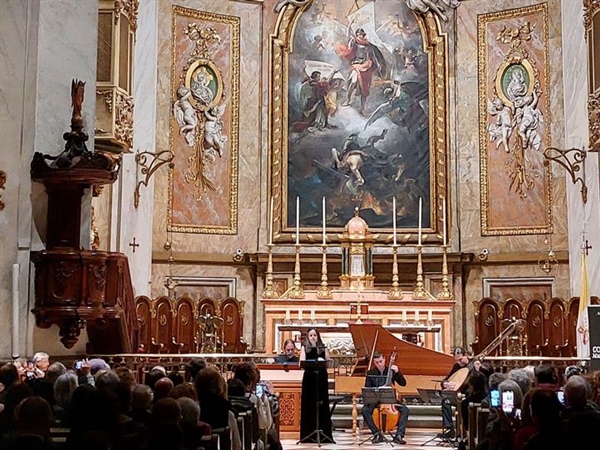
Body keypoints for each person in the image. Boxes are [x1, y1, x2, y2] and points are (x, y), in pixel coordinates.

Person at [336, 23, 387, 116]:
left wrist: (377, 63)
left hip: (366, 67)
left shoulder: (369, 45)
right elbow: (349, 46)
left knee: (365, 88)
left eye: (361, 35)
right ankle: (347, 99)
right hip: (356, 65)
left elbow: (373, 56)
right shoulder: (354, 43)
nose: (359, 36)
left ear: (363, 35)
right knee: (353, 81)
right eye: (358, 34)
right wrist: (349, 25)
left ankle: (363, 108)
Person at [361, 351, 409, 445]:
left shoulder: (391, 370)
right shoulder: (371, 373)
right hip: (376, 401)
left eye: (380, 361)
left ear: (384, 359)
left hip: (391, 401)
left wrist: (398, 372)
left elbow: (403, 383)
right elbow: (368, 388)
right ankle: (377, 434)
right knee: (365, 410)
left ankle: (399, 435)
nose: (379, 364)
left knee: (405, 410)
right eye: (376, 362)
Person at [299, 327, 335, 444]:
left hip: (321, 378)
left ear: (318, 337)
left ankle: (323, 433)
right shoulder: (304, 348)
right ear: (308, 337)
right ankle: (308, 434)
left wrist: (324, 355)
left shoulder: (323, 347)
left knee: (322, 404)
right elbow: (301, 363)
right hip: (309, 378)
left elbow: (328, 362)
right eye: (311, 335)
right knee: (309, 404)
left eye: (315, 335)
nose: (313, 337)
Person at [439, 347, 471, 438]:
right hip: (457, 396)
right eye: (456, 360)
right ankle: (449, 428)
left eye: (460, 359)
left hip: (467, 397)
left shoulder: (472, 368)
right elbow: (447, 379)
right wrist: (445, 384)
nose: (459, 362)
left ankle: (464, 431)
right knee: (445, 401)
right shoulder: (456, 367)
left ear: (466, 356)